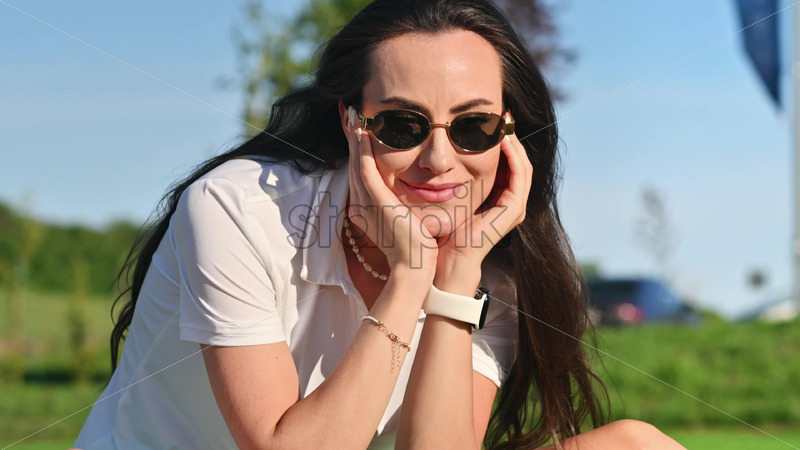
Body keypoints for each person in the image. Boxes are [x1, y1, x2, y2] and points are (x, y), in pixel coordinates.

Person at [73, 1, 686, 448]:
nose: (440, 160)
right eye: (402, 125)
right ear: (351, 124)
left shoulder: (491, 267)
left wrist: (452, 280)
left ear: (509, 136)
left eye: (473, 127)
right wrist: (409, 279)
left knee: (636, 444)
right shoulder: (238, 207)